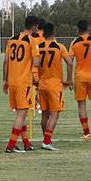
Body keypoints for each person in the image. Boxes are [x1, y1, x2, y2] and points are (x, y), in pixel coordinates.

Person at [3, 15, 40, 153]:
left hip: (12, 81)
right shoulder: (31, 40)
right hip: (23, 82)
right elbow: (36, 61)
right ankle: (10, 145)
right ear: (34, 26)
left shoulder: (12, 39)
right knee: (22, 114)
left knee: (20, 113)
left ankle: (26, 143)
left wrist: (4, 80)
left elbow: (6, 61)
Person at [37, 23, 73, 151]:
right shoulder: (59, 47)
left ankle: (46, 139)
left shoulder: (38, 47)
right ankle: (47, 141)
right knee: (55, 113)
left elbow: (35, 65)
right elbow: (69, 62)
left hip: (42, 84)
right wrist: (69, 79)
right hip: (54, 85)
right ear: (54, 32)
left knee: (44, 114)